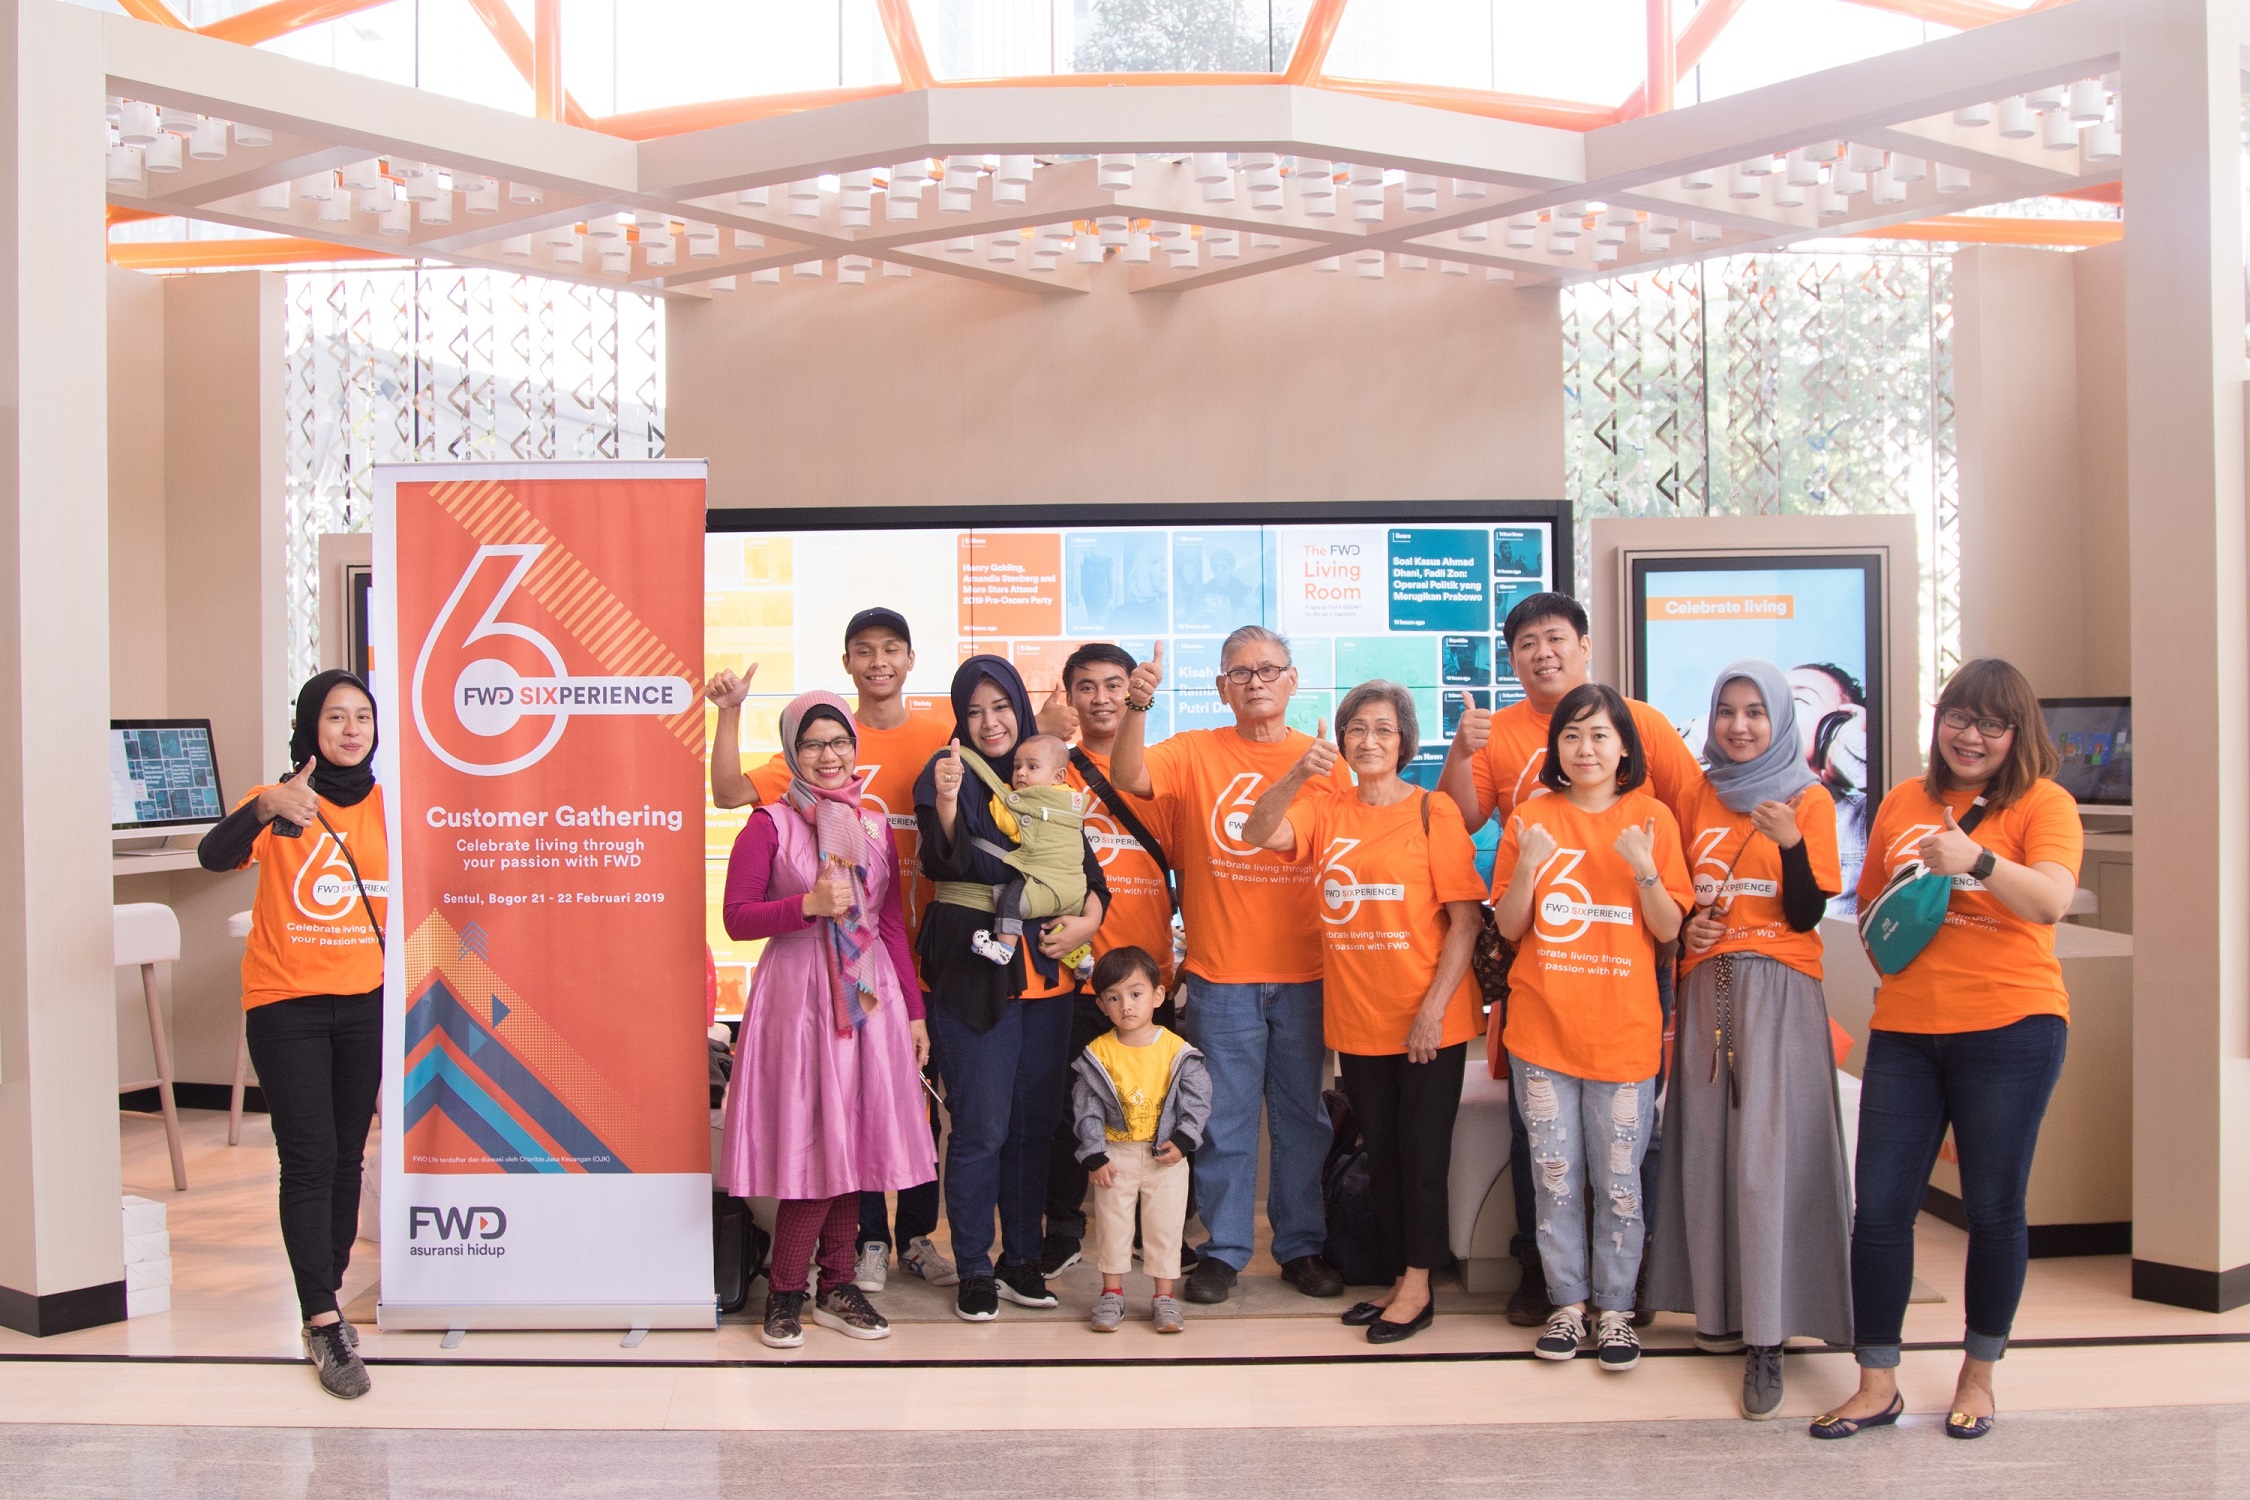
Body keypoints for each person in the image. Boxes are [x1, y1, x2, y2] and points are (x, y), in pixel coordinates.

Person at [1811, 659, 2078, 1443]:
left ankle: (1978, 1377)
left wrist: (1979, 862)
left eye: (1992, 724)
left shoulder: (2044, 802)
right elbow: (1870, 910)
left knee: (1993, 1208)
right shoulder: (1903, 800)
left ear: (2017, 734)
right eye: (1959, 717)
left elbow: (2052, 900)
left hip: (2012, 1028)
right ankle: (1876, 1383)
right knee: (1879, 1210)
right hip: (1906, 1032)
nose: (1971, 736)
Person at [1437, 591, 1702, 1327]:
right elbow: (1461, 819)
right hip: (1545, 980)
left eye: (1555, 637)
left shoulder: (1643, 729)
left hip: (1630, 976)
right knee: (1542, 1144)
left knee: (1630, 1148)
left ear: (1584, 644)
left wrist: (1669, 884)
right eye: (1526, 643)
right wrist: (1460, 752)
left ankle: (1629, 1286)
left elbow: (1690, 817)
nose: (1542, 652)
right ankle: (1550, 1280)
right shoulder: (1506, 752)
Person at [705, 606, 957, 1293]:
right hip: (798, 1003)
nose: (829, 755)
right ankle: (788, 1291)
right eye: (813, 744)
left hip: (868, 1000)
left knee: (858, 1142)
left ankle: (839, 1285)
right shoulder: (769, 822)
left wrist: (912, 1013)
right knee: (813, 1150)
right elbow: (736, 919)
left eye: (839, 742)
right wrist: (807, 906)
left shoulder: (868, 825)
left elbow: (888, 925)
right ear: (793, 752)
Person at [1107, 628, 1354, 1305]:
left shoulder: (1326, 761)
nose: (1255, 682)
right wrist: (1137, 705)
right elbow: (1128, 776)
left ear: (1293, 680)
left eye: (1269, 669)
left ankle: (1301, 1246)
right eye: (1240, 673)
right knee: (1226, 1121)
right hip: (1221, 975)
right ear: (1221, 688)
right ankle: (1225, 1250)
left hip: (1307, 972)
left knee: (1303, 1119)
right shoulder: (1195, 751)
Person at [1239, 681, 1486, 1345]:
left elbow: (1465, 922)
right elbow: (1255, 831)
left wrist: (1433, 1009)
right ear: (1342, 740)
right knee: (1383, 1155)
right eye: (1357, 729)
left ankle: (1419, 1285)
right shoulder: (1327, 807)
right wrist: (1299, 772)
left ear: (1404, 741)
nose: (1369, 740)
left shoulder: (1434, 811)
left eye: (1383, 729)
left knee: (1421, 1157)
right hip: (1358, 1019)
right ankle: (1404, 1277)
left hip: (1428, 1020)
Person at [1645, 660, 1853, 1420]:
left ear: (1780, 721)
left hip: (1780, 993)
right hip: (1708, 989)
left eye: (1755, 712)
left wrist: (1793, 843)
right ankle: (1717, 1309)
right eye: (1727, 711)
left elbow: (1805, 913)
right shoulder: (1696, 794)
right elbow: (1681, 894)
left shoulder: (1808, 797)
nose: (1739, 726)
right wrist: (1690, 931)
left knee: (1767, 1163)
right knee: (1706, 1154)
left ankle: (1769, 1335)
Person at [196, 671, 386, 1401]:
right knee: (307, 1159)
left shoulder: (390, 805)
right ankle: (324, 1318)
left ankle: (324, 1293)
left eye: (362, 716)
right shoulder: (278, 804)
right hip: (285, 1006)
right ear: (310, 728)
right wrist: (263, 806)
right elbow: (213, 856)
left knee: (345, 1158)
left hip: (363, 1003)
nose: (351, 729)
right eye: (335, 717)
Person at [1492, 683, 1691, 1375]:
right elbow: (1509, 926)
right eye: (1572, 735)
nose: (1586, 749)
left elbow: (1669, 931)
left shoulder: (1653, 819)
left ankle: (1617, 1311)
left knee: (1619, 1181)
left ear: (1625, 748)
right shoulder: (1531, 817)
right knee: (1554, 1177)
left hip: (1624, 1035)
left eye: (1601, 735)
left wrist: (1644, 870)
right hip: (1543, 1033)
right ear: (1557, 747)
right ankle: (1567, 1304)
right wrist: (1528, 864)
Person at [917, 655, 1109, 1320]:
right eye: (973, 711)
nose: (989, 722)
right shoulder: (949, 770)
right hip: (974, 980)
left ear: (1020, 712)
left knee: (1033, 1128)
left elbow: (1087, 874)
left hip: (1048, 988)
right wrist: (948, 804)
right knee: (981, 1128)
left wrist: (1087, 919)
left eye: (1000, 707)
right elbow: (947, 860)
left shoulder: (1049, 778)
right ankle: (974, 1264)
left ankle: (1021, 1258)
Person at [1039, 644, 1181, 1278]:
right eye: (1087, 687)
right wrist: (1042, 732)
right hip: (1074, 980)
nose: (1101, 698)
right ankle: (1065, 1228)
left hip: (1150, 982)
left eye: (1114, 685)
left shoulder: (1160, 774)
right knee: (1069, 1115)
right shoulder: (1050, 770)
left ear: (1134, 692)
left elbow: (1189, 870)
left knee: (1154, 1116)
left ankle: (1154, 1237)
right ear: (1069, 696)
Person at [1071, 946, 1210, 1336]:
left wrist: (1184, 1139)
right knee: (1113, 1227)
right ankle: (1111, 1293)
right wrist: (1094, 1153)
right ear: (1102, 1005)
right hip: (1115, 1156)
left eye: (1135, 994)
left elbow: (1198, 1098)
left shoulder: (1177, 1050)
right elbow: (1086, 1107)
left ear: (1158, 995)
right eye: (1114, 998)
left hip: (1166, 1157)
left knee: (1165, 1228)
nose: (1126, 1005)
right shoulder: (1098, 1053)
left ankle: (1164, 1297)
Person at [952, 733, 1092, 969]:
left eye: (1032, 767)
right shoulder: (1070, 799)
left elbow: (1010, 828)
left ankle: (1004, 948)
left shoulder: (1031, 801)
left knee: (1011, 899)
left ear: (1058, 775)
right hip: (1076, 889)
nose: (1021, 773)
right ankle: (1081, 959)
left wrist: (1003, 796)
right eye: (1017, 767)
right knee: (1051, 925)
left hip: (1045, 880)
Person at [1791, 662, 1873, 915]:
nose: (1775, 709)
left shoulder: (1860, 816)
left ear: (1835, 726)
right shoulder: (1727, 799)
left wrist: (1847, 747)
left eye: (1798, 699)